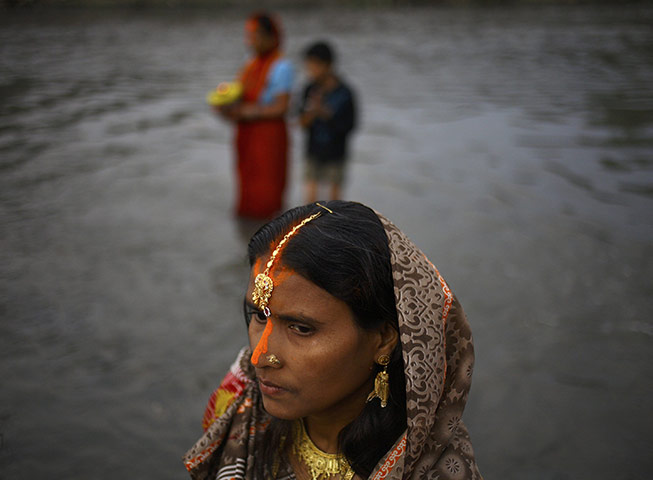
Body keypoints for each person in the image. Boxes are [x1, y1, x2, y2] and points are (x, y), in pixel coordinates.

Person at [183, 201, 482, 480]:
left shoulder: (431, 469)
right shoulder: (240, 408)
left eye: (301, 328)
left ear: (384, 338)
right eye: (259, 315)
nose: (259, 357)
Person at [216, 13, 294, 219]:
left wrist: (250, 111)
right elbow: (238, 93)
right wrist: (224, 106)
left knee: (268, 191)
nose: (250, 41)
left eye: (255, 35)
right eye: (248, 36)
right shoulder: (250, 64)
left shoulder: (281, 66)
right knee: (247, 187)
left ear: (271, 37)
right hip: (247, 136)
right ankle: (247, 238)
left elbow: (281, 107)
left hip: (268, 138)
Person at [299, 42, 356, 203]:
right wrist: (313, 112)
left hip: (336, 153)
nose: (310, 70)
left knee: (334, 202)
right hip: (313, 151)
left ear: (327, 65)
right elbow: (302, 122)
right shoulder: (309, 89)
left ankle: (333, 228)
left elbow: (350, 126)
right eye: (308, 65)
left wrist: (324, 113)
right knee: (309, 200)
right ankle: (309, 228)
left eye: (314, 65)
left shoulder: (345, 93)